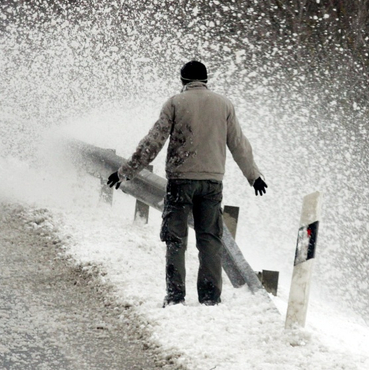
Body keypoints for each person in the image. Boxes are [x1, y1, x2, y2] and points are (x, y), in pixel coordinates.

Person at [106, 60, 268, 307]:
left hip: (181, 181)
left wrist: (125, 172)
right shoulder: (224, 104)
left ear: (183, 80)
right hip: (212, 183)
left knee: (175, 240)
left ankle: (175, 296)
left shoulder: (175, 103)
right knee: (210, 241)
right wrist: (253, 176)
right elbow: (238, 144)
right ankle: (210, 298)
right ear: (206, 80)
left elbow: (153, 142)